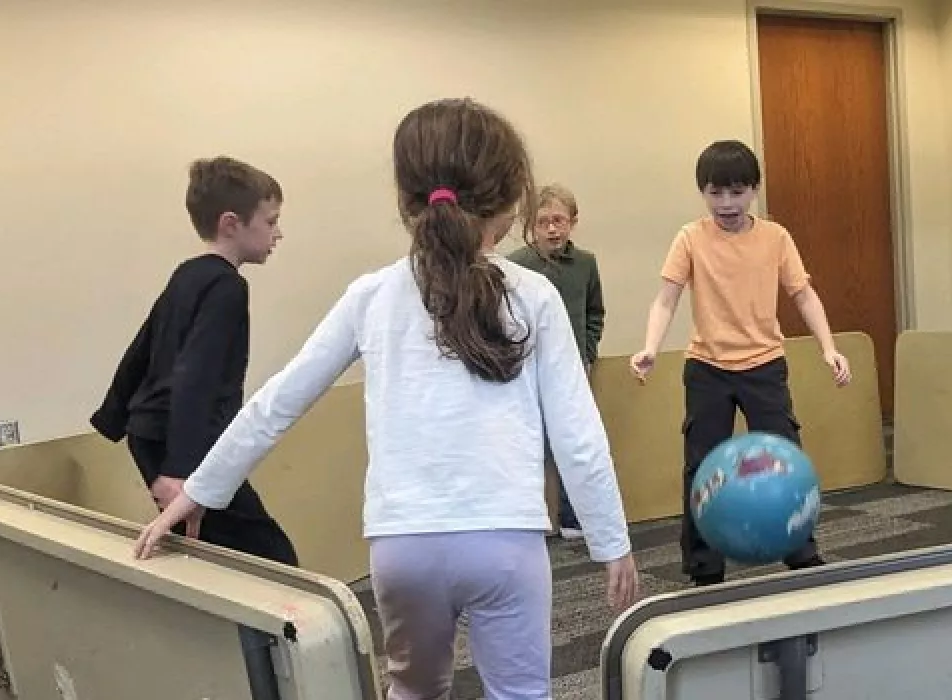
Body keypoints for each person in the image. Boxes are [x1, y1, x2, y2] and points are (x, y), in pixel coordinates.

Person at [132, 98, 640, 700]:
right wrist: (612, 541)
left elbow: (277, 402)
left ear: (408, 200)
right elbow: (577, 431)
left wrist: (197, 490)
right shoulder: (533, 295)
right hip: (505, 542)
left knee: (413, 690)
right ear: (507, 205)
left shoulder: (372, 295)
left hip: (404, 548)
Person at [630, 139, 852, 587]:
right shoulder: (690, 237)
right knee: (702, 466)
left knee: (785, 458)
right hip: (707, 368)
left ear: (754, 190)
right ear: (703, 192)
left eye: (737, 192)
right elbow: (666, 299)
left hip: (765, 365)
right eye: (715, 193)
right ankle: (704, 566)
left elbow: (803, 295)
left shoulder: (776, 237)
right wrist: (650, 346)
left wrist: (829, 347)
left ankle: (801, 551)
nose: (726, 204)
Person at [90, 156, 299, 566]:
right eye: (270, 221)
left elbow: (141, 348)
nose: (278, 234)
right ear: (231, 224)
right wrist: (181, 471)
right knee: (273, 560)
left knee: (212, 554)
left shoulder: (187, 274)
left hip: (153, 436)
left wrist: (114, 417)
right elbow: (195, 376)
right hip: (183, 447)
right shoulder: (227, 288)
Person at [504, 183, 605, 540]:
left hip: (574, 369)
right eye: (543, 221)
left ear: (572, 223)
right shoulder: (515, 266)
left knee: (574, 441)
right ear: (532, 225)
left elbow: (595, 312)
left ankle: (573, 517)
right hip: (526, 371)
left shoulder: (586, 264)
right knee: (527, 443)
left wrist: (588, 350)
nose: (552, 229)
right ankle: (528, 519)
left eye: (559, 221)